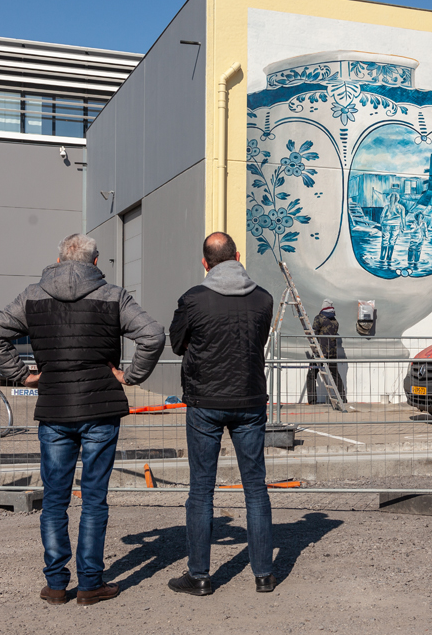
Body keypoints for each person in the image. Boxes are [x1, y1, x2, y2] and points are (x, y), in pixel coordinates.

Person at [0, 233, 165, 606]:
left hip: (55, 409)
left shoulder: (32, 295)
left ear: (60, 259)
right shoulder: (113, 296)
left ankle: (56, 584)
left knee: (55, 500)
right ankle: (91, 583)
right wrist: (130, 376)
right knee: (94, 500)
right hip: (100, 408)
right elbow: (153, 334)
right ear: (95, 263)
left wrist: (21, 374)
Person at [167, 232, 276, 596]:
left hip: (205, 402)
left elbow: (177, 343)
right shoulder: (263, 299)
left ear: (205, 262)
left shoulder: (193, 300)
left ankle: (199, 576)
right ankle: (263, 574)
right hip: (249, 400)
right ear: (238, 256)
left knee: (201, 490)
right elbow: (256, 341)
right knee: (256, 488)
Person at [306, 299, 345, 404]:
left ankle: (312, 400)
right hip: (332, 353)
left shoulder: (319, 318)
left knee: (311, 374)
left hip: (320, 352)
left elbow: (314, 333)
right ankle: (343, 398)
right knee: (335, 375)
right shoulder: (335, 321)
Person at [378, 192, 406, 266]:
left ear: (389, 198)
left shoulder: (387, 207)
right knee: (392, 242)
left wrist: (381, 224)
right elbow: (403, 218)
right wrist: (404, 227)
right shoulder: (401, 207)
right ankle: (389, 259)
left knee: (384, 241)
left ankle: (382, 258)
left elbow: (382, 216)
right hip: (396, 225)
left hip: (386, 225)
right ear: (398, 199)